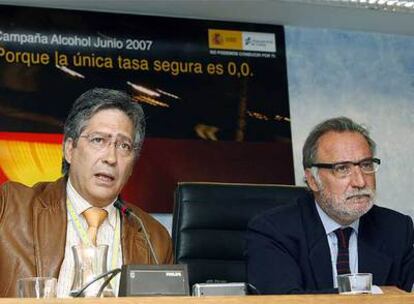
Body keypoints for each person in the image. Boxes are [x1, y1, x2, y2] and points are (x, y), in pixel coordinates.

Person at [0, 88, 173, 297]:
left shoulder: (154, 238)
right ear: (69, 149)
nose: (111, 158)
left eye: (124, 146)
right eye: (98, 140)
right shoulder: (10, 206)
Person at [246, 116, 414, 294]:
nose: (360, 181)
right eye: (342, 168)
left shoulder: (397, 229)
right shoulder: (273, 231)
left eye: (366, 165)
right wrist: (376, 294)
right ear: (312, 180)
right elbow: (285, 301)